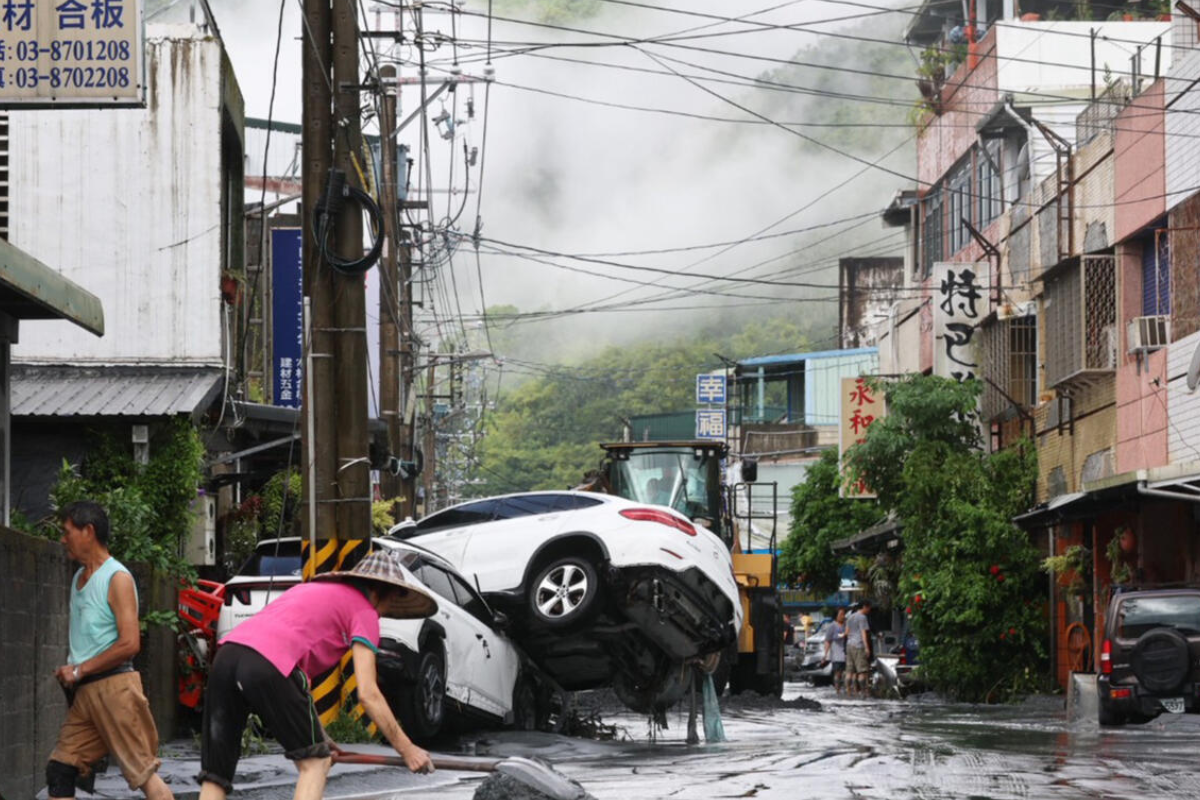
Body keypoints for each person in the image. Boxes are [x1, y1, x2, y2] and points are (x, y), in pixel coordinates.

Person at [198, 551, 438, 800]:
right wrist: (407, 749)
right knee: (316, 763)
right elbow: (368, 694)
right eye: (391, 603)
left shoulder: (311, 591)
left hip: (227, 657)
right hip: (268, 664)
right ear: (383, 591)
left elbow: (298, 689)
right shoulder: (365, 611)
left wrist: (320, 737)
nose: (384, 612)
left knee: (217, 773)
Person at [46, 500, 174, 800]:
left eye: (68, 532)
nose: (63, 539)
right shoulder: (79, 578)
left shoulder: (117, 578)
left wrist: (80, 669)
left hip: (115, 691)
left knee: (143, 774)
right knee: (60, 770)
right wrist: (74, 672)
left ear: (88, 531)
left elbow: (130, 644)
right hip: (86, 695)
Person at [845, 600, 873, 698]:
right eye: (869, 608)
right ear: (865, 606)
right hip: (858, 645)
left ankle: (848, 693)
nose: (869, 610)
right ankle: (863, 693)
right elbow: (863, 633)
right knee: (862, 671)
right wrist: (867, 648)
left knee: (849, 671)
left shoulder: (850, 617)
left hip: (849, 645)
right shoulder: (862, 617)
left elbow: (846, 632)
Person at [822, 607, 848, 695]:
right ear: (836, 616)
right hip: (836, 653)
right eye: (841, 614)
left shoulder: (846, 625)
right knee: (837, 673)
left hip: (846, 653)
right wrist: (825, 654)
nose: (843, 616)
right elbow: (827, 640)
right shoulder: (832, 626)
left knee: (846, 672)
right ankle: (837, 690)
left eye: (844, 614)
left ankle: (846, 690)